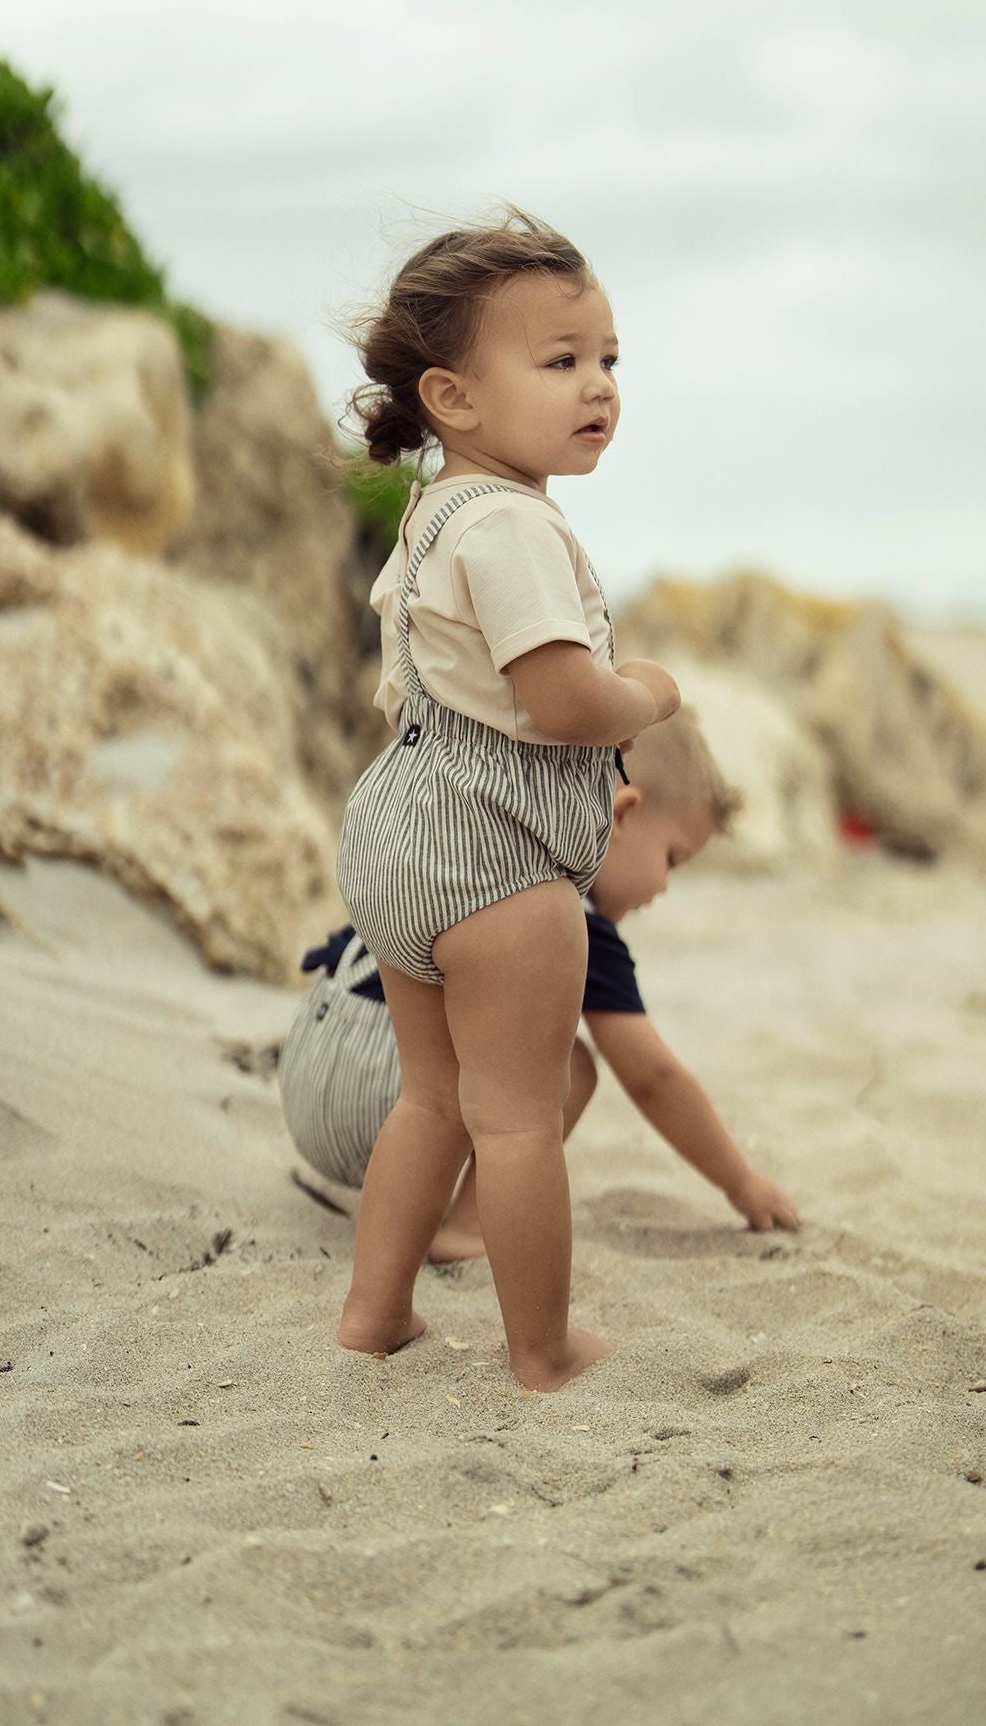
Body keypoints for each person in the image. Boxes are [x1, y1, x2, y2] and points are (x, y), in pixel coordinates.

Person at [332, 206, 680, 1391]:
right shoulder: (518, 526)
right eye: (560, 360)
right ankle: (541, 1347)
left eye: (609, 359)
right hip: (496, 856)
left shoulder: (438, 511)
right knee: (519, 1117)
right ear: (454, 397)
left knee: (433, 1093)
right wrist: (647, 692)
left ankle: (374, 1312)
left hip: (399, 829)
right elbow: (561, 698)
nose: (599, 385)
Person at [283, 707, 800, 1258]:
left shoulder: (479, 846)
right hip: (386, 1095)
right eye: (672, 859)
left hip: (308, 1065)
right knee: (569, 1066)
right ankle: (465, 1226)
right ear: (621, 816)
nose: (665, 887)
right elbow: (653, 1077)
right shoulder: (568, 918)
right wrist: (740, 1183)